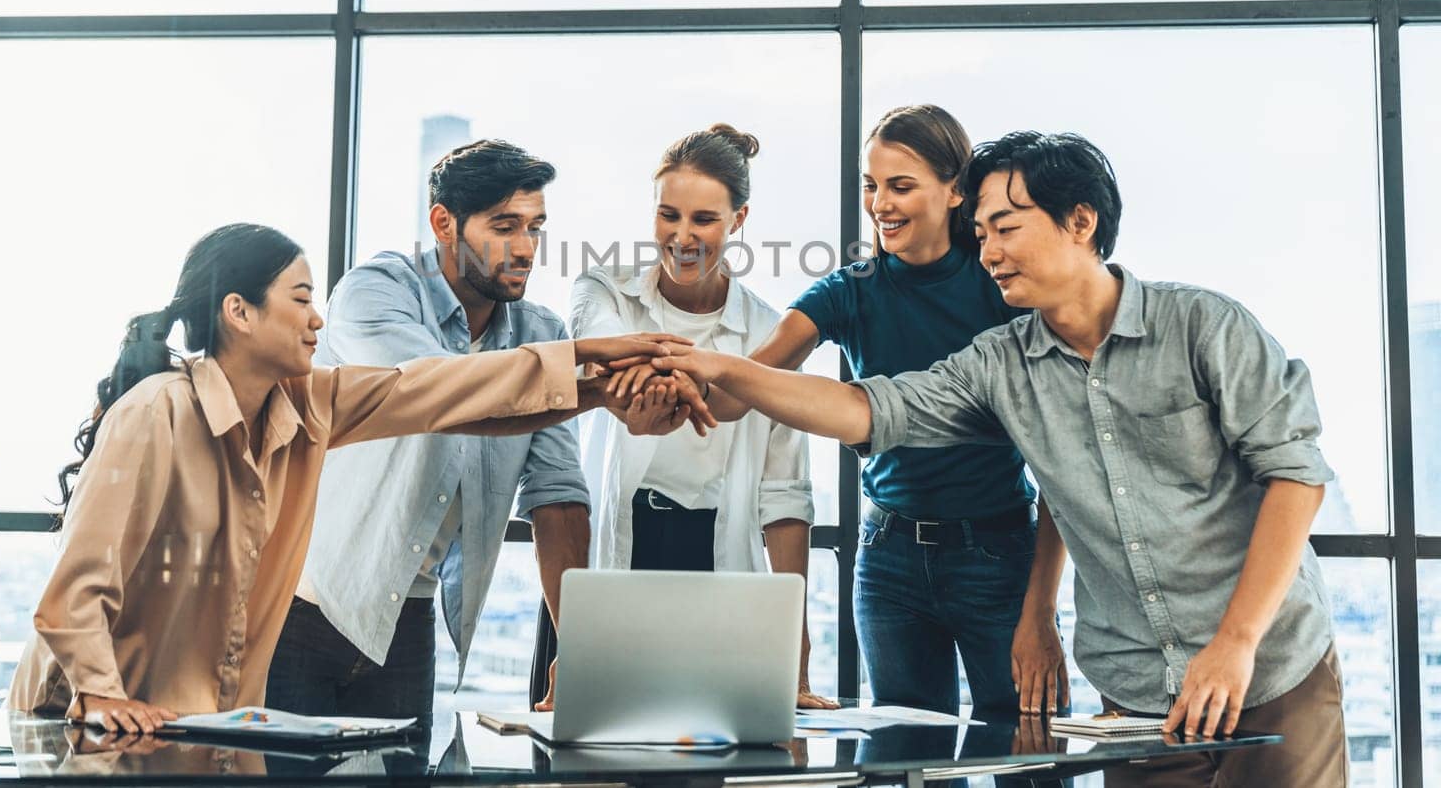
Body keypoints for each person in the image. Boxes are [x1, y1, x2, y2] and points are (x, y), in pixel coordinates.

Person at [653, 132, 1348, 788]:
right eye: (982, 233)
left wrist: (1235, 640)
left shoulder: (1204, 326)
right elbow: (866, 408)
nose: (988, 251)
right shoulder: (1000, 362)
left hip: (1272, 669)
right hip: (1140, 696)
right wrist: (724, 367)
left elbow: (1296, 472)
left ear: (1080, 221)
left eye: (1007, 228)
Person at [8, 222, 693, 734]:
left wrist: (596, 377)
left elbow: (443, 391)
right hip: (80, 724)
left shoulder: (311, 403)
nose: (317, 318)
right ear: (239, 313)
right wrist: (99, 692)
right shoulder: (155, 409)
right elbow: (77, 585)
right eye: (300, 298)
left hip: (192, 728)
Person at [695, 105, 1070, 721]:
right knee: (905, 759)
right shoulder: (850, 289)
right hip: (890, 560)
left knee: (1030, 750)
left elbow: (1059, 457)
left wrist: (1041, 611)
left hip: (999, 555)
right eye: (871, 186)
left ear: (955, 191)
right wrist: (671, 374)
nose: (880, 204)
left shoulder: (1001, 286)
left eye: (900, 186)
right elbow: (744, 388)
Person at [267, 140, 592, 723]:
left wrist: (583, 649)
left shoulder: (542, 334)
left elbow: (557, 497)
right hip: (304, 606)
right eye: (505, 226)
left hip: (407, 620)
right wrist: (584, 378)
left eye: (536, 228)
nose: (525, 249)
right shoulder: (377, 292)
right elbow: (439, 395)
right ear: (444, 222)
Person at [574, 123, 835, 709]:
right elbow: (607, 361)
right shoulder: (604, 292)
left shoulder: (769, 334)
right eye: (668, 215)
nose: (682, 236)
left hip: (714, 560)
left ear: (739, 220)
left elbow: (785, 498)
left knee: (711, 751)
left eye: (704, 220)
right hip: (619, 554)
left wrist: (795, 653)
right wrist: (669, 378)